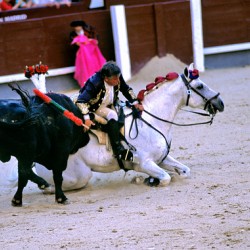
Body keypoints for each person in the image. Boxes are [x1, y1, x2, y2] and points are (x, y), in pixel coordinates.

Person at [76, 61, 144, 161]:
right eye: (115, 79)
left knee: (122, 113)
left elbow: (126, 89)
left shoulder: (116, 76)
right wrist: (86, 118)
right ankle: (118, 149)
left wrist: (135, 102)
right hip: (94, 106)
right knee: (112, 115)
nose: (118, 80)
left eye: (118, 77)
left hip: (111, 103)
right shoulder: (94, 82)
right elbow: (81, 101)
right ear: (106, 78)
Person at [70, 20, 106, 88]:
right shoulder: (73, 34)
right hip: (81, 55)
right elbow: (73, 44)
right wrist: (77, 45)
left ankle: (97, 81)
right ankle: (87, 83)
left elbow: (95, 39)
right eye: (75, 27)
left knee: (94, 66)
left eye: (78, 26)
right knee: (84, 68)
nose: (77, 28)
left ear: (81, 26)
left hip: (92, 52)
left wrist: (90, 41)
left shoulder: (89, 31)